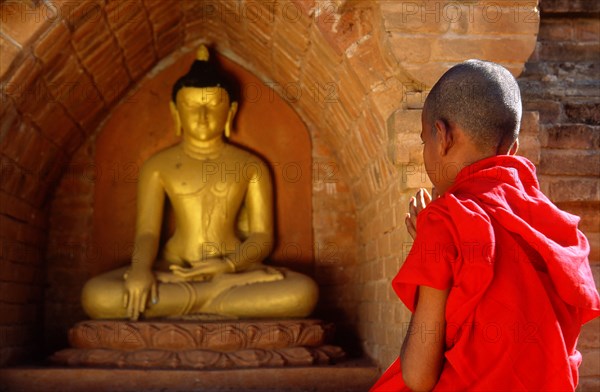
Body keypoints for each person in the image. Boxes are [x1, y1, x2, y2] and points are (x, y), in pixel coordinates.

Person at [371, 60, 600, 391]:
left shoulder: (445, 220)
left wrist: (431, 249)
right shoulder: (557, 227)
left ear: (442, 135)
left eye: (424, 141)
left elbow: (418, 376)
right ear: (513, 149)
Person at [81, 46, 318, 321]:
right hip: (173, 270)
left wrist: (227, 266)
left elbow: (262, 237)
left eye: (212, 106)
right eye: (192, 106)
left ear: (230, 112)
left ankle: (198, 299)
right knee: (97, 295)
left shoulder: (251, 165)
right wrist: (140, 271)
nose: (202, 116)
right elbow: (147, 233)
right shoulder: (158, 166)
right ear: (175, 112)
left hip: (233, 271)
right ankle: (214, 299)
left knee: (302, 292)